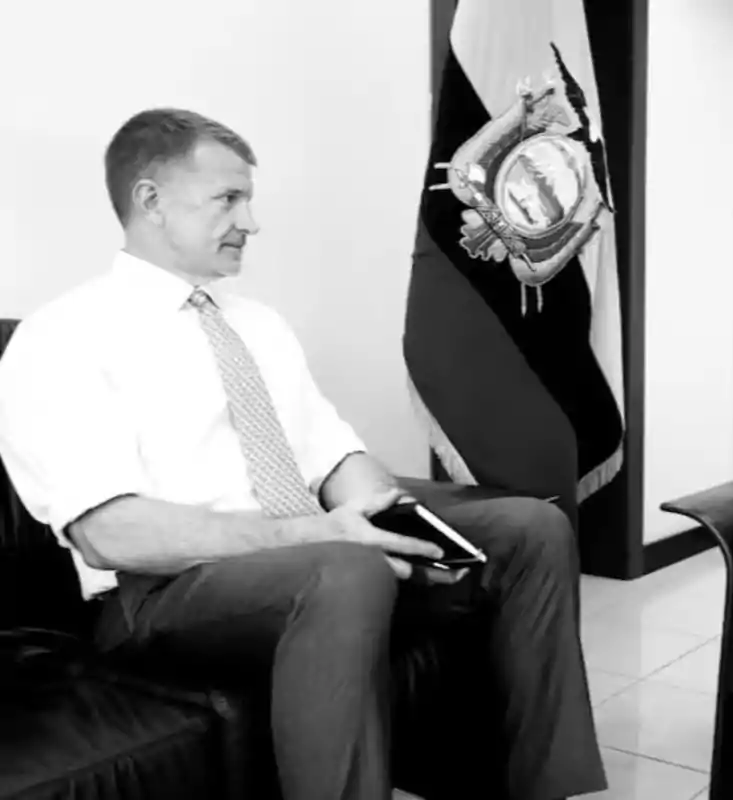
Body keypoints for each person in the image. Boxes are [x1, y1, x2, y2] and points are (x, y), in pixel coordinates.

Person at [0, 108, 606, 800]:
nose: (251, 222)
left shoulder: (258, 324)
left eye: (249, 199)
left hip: (303, 557)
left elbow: (335, 459)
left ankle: (547, 789)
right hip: (163, 595)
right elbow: (109, 535)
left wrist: (395, 523)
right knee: (343, 569)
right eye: (228, 198)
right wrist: (325, 535)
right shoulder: (63, 338)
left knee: (531, 529)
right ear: (150, 202)